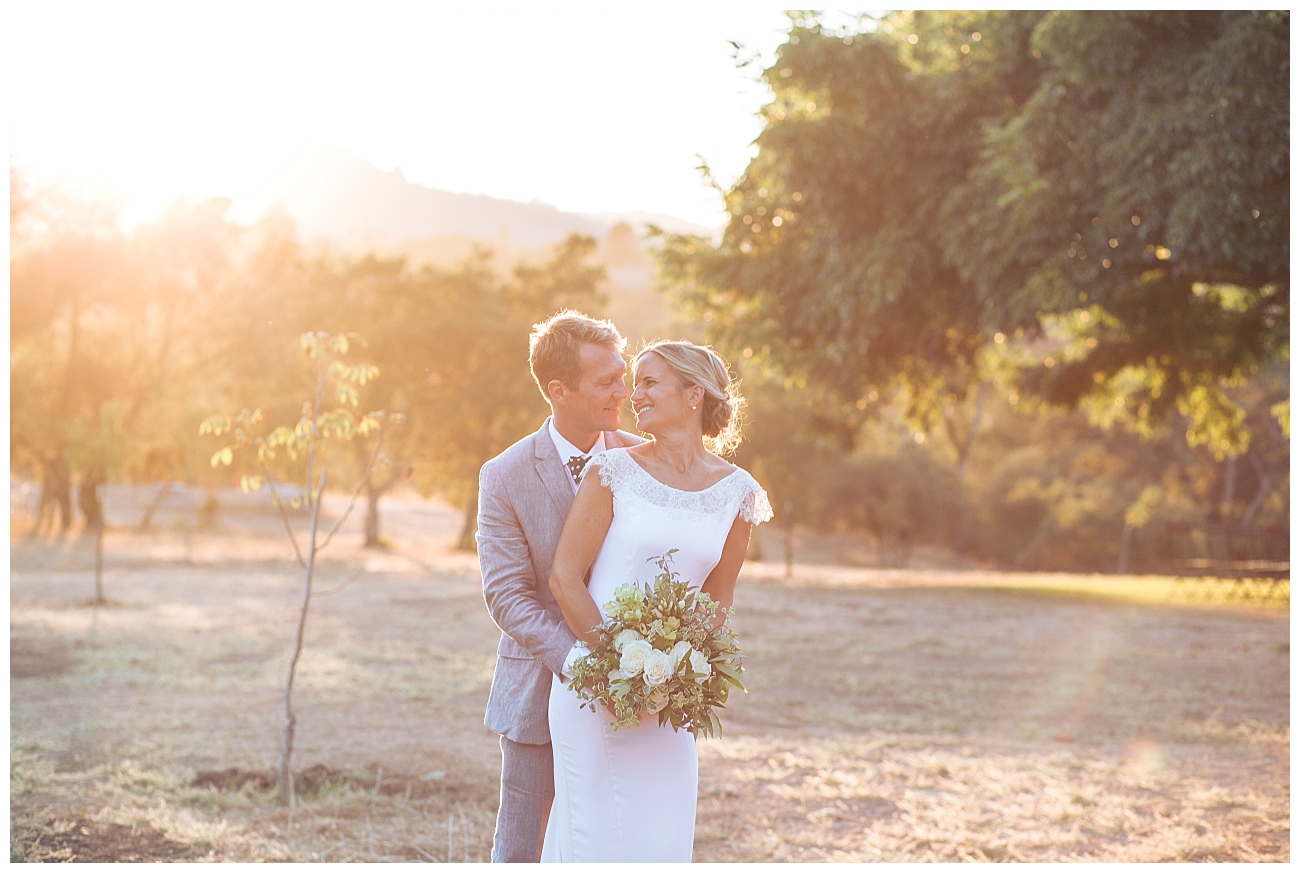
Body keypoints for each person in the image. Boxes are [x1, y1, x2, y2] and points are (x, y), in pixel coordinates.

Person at [541, 340, 772, 862]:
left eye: (649, 382)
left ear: (694, 394)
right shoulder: (612, 471)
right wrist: (618, 667)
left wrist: (681, 677)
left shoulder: (738, 492)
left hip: (671, 704)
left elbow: (718, 597)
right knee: (593, 844)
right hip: (596, 690)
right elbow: (564, 578)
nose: (633, 394)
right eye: (635, 382)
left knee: (661, 843)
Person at [477, 310, 643, 863]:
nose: (624, 392)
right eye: (606, 381)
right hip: (539, 692)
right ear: (559, 391)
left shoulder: (643, 463)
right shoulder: (504, 475)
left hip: (637, 692)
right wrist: (583, 663)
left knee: (617, 843)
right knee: (523, 849)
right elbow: (507, 597)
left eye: (622, 376)